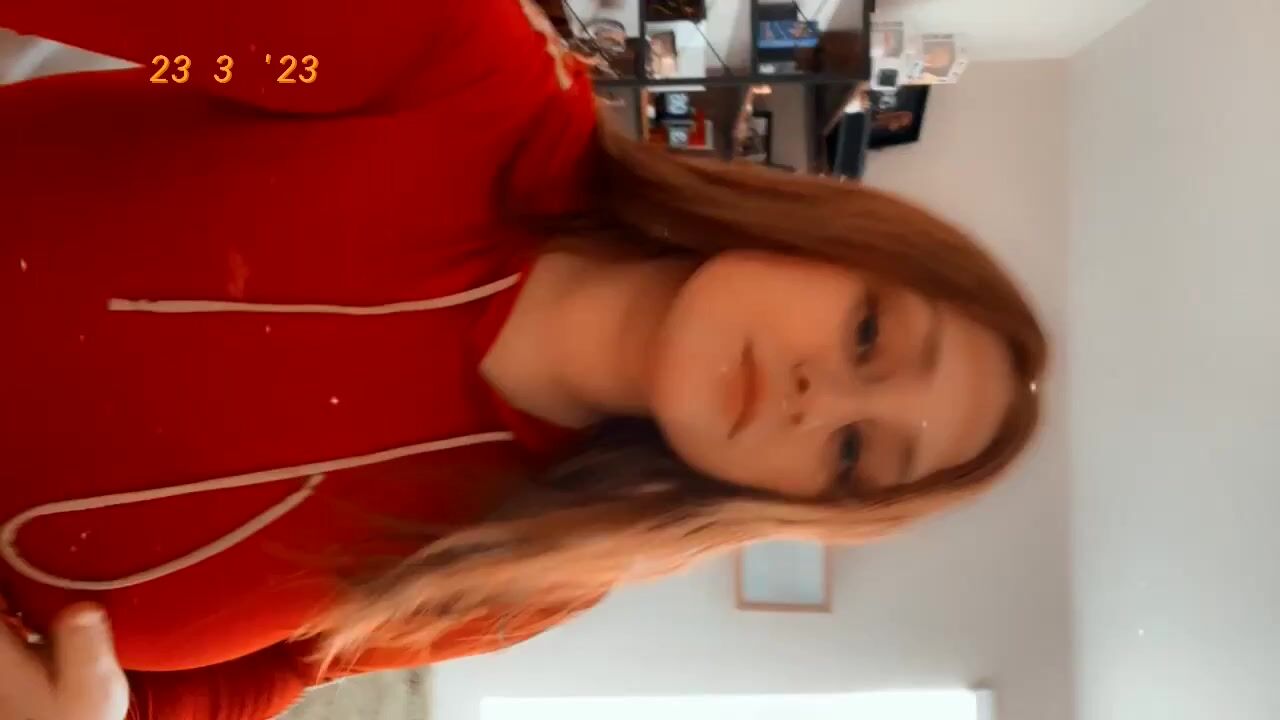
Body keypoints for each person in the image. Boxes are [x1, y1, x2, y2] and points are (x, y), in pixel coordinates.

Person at [0, 1, 1048, 719]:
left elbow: (263, 677)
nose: (819, 401)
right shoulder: (464, 69)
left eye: (853, 456)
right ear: (826, 237)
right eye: (867, 335)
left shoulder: (526, 577)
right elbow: (153, 26)